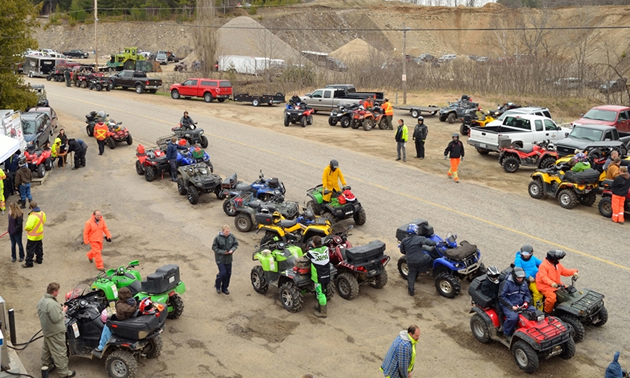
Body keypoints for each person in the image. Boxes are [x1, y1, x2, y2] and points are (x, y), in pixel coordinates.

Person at [37, 282, 76, 377]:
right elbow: (56, 318)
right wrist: (63, 311)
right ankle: (64, 373)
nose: (58, 292)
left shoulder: (42, 300)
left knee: (46, 349)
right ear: (54, 291)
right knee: (60, 352)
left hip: (47, 330)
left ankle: (46, 366)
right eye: (58, 290)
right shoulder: (52, 304)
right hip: (55, 332)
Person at [93, 287, 137, 358]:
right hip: (129, 320)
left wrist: (113, 315)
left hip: (121, 324)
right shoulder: (133, 302)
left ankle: (101, 346)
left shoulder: (120, 306)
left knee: (107, 326)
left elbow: (120, 317)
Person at [400, 223, 436, 296]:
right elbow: (430, 243)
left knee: (411, 275)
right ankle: (423, 271)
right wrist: (435, 243)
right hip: (420, 259)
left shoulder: (404, 240)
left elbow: (402, 251)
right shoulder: (420, 238)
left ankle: (411, 291)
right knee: (428, 258)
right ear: (416, 231)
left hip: (410, 261)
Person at [499, 267, 532, 339]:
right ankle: (506, 333)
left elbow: (527, 294)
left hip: (521, 303)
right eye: (518, 278)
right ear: (514, 276)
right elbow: (501, 297)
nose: (520, 279)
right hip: (508, 304)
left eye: (522, 277)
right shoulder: (506, 283)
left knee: (534, 311)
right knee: (513, 317)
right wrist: (512, 306)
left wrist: (526, 302)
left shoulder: (524, 283)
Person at [306, 236, 331, 318]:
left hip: (318, 277)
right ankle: (320, 307)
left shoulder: (311, 253)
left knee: (320, 294)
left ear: (313, 244)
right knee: (324, 291)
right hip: (327, 274)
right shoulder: (326, 249)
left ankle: (323, 313)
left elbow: (305, 257)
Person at [513, 244, 543, 310]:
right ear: (521, 252)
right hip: (529, 280)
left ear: (531, 253)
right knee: (537, 293)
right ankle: (539, 310)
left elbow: (541, 263)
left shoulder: (533, 258)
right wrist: (528, 277)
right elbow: (519, 271)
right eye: (524, 253)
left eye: (527, 253)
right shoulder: (518, 260)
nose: (526, 255)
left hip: (538, 277)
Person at [212, 225, 239, 295]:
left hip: (228, 259)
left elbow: (236, 244)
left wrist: (232, 250)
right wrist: (223, 252)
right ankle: (218, 286)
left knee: (228, 274)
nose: (228, 233)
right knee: (223, 273)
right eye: (226, 232)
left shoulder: (231, 236)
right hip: (220, 259)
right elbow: (214, 248)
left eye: (228, 231)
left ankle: (225, 288)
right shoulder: (217, 238)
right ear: (223, 231)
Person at [23, 201, 46, 268]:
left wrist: (26, 229)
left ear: (31, 207)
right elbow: (44, 221)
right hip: (40, 235)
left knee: (30, 250)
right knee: (39, 248)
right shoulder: (42, 213)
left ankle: (29, 262)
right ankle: (39, 259)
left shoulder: (32, 216)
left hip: (32, 236)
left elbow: (28, 227)